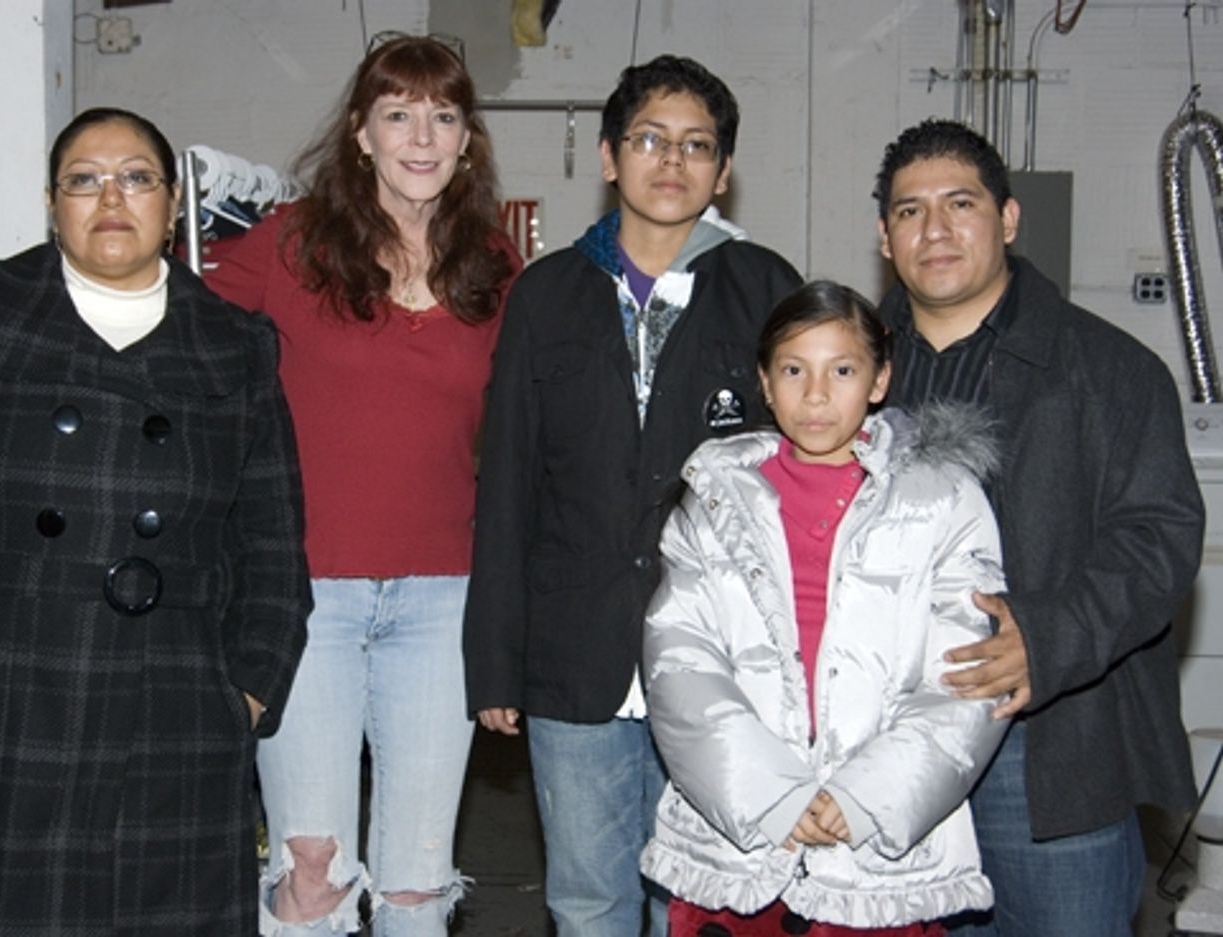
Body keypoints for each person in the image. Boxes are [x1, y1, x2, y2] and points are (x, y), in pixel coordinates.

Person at [0, 106, 311, 935]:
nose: (111, 197)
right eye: (84, 180)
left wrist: (244, 692)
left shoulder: (234, 343)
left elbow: (271, 542)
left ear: (171, 207)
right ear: (52, 203)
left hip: (172, 712)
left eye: (137, 177)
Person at [464, 54, 803, 937]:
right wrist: (496, 659)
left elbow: (806, 467)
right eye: (650, 138)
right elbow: (506, 480)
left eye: (697, 146)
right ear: (610, 155)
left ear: (723, 171)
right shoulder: (546, 294)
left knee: (697, 901)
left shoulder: (766, 288)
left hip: (723, 655)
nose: (671, 160)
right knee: (588, 897)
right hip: (575, 654)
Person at [203, 35, 518, 937]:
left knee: (418, 880)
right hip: (306, 604)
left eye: (444, 115)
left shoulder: (494, 268)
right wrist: (21, 287)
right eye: (398, 114)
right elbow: (155, 305)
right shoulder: (290, 244)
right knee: (311, 874)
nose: (421, 136)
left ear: (466, 141)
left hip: (443, 603)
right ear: (360, 134)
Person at [872, 118, 1204, 937]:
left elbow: (1157, 540)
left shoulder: (1113, 371)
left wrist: (1048, 635)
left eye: (961, 203)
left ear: (1009, 219)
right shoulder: (846, 373)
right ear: (884, 237)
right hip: (886, 741)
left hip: (1050, 744)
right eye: (910, 211)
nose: (936, 229)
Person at [641, 280, 1008, 937]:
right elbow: (681, 662)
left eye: (841, 370)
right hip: (741, 840)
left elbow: (966, 676)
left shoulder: (943, 500)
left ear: (879, 379)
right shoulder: (716, 496)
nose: (815, 394)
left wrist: (862, 797)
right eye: (792, 370)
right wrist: (776, 795)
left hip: (875, 853)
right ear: (764, 380)